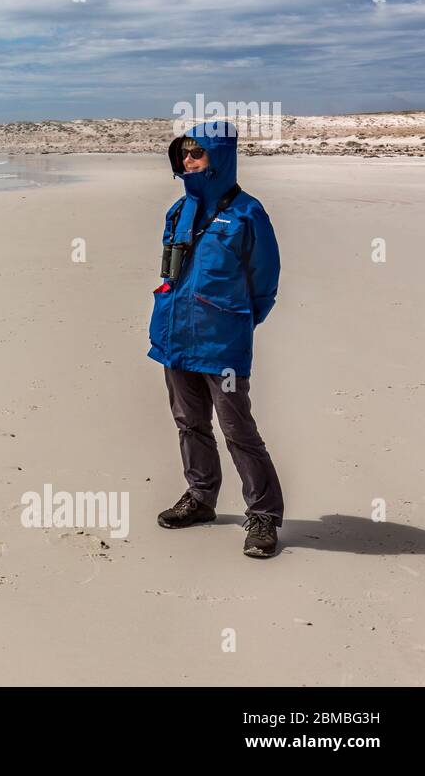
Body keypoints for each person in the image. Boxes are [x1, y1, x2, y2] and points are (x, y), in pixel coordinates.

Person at [147, 120, 284, 558]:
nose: (188, 161)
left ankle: (263, 514)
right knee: (189, 423)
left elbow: (265, 283)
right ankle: (202, 498)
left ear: (219, 156)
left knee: (237, 429)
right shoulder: (178, 210)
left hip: (221, 343)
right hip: (174, 337)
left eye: (197, 153)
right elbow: (169, 272)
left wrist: (236, 322)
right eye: (184, 153)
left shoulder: (248, 213)